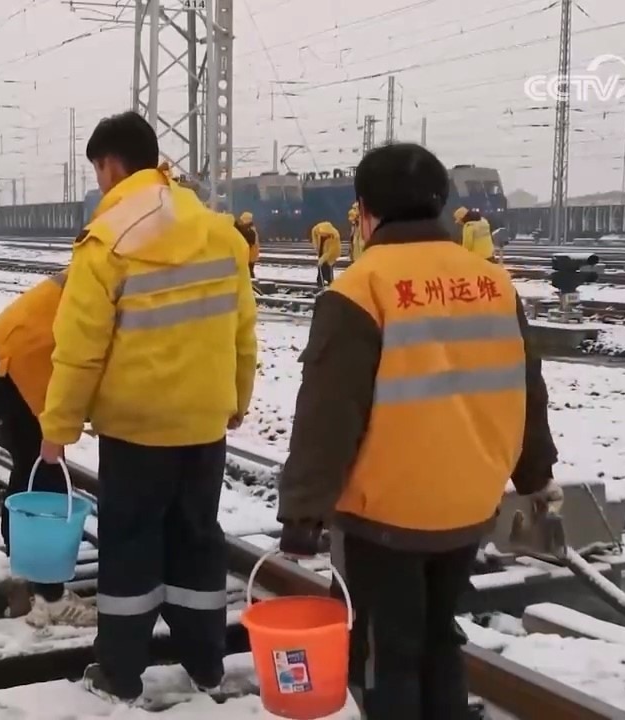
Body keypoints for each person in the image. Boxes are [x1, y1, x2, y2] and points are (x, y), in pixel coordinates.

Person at [276, 142, 562, 720]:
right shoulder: (494, 284)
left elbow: (329, 415)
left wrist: (303, 512)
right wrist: (535, 476)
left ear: (364, 211)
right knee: (438, 635)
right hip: (469, 507)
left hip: (384, 519)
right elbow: (527, 389)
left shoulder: (360, 289)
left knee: (385, 653)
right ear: (440, 203)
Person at [38, 110, 258, 705]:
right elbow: (243, 330)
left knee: (131, 546)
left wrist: (58, 428)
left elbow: (79, 351)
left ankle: (121, 672)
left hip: (136, 432)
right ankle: (206, 662)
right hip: (204, 425)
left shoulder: (106, 242)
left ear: (110, 165)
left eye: (98, 171)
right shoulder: (220, 233)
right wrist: (237, 397)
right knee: (197, 539)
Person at [0, 272, 98, 628]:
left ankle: (26, 567)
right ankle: (50, 596)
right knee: (46, 473)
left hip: (2, 361)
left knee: (30, 467)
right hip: (14, 370)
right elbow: (91, 355)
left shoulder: (100, 264)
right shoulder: (115, 278)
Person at [310, 220, 341, 290]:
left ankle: (330, 281)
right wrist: (316, 245)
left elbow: (330, 252)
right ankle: (320, 281)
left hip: (332, 253)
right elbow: (314, 232)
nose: (321, 235)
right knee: (320, 266)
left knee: (328, 265)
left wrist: (322, 259)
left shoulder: (335, 236)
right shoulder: (319, 230)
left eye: (323, 235)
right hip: (322, 248)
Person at [235, 211, 260, 278]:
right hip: (251, 255)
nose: (242, 221)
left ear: (246, 220)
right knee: (249, 271)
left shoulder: (249, 229)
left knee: (249, 271)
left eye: (243, 220)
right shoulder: (250, 228)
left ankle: (252, 282)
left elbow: (248, 239)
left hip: (250, 255)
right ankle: (252, 281)